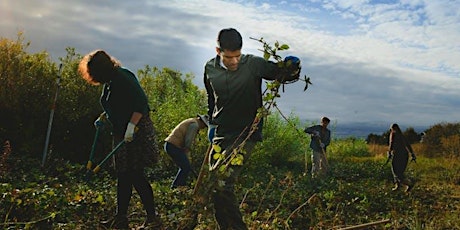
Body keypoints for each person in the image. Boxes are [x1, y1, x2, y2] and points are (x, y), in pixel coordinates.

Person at [203, 28, 301, 229]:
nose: (234, 62)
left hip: (246, 133)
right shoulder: (209, 68)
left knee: (223, 183)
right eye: (229, 57)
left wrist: (292, 68)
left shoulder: (253, 64)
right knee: (213, 185)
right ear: (217, 51)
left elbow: (279, 74)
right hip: (221, 133)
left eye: (237, 56)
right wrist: (211, 122)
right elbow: (211, 97)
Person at [78, 50, 163, 229]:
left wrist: (131, 127)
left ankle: (152, 218)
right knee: (123, 175)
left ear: (101, 70)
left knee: (136, 175)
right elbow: (117, 104)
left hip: (136, 131)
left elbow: (140, 103)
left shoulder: (123, 77)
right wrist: (104, 117)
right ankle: (121, 219)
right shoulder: (109, 82)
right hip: (121, 132)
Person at [164, 114, 209, 189]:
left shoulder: (192, 121)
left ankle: (180, 186)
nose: (203, 128)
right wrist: (187, 150)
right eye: (204, 126)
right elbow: (188, 140)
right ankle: (176, 187)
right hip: (173, 146)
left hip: (171, 145)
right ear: (202, 122)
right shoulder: (194, 125)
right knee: (186, 167)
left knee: (185, 167)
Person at [388, 123, 416, 192]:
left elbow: (391, 143)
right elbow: (408, 145)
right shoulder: (402, 135)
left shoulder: (393, 134)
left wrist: (389, 153)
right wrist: (412, 154)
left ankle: (408, 184)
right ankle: (398, 186)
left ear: (392, 129)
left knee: (395, 172)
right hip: (405, 155)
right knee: (400, 172)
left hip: (397, 155)